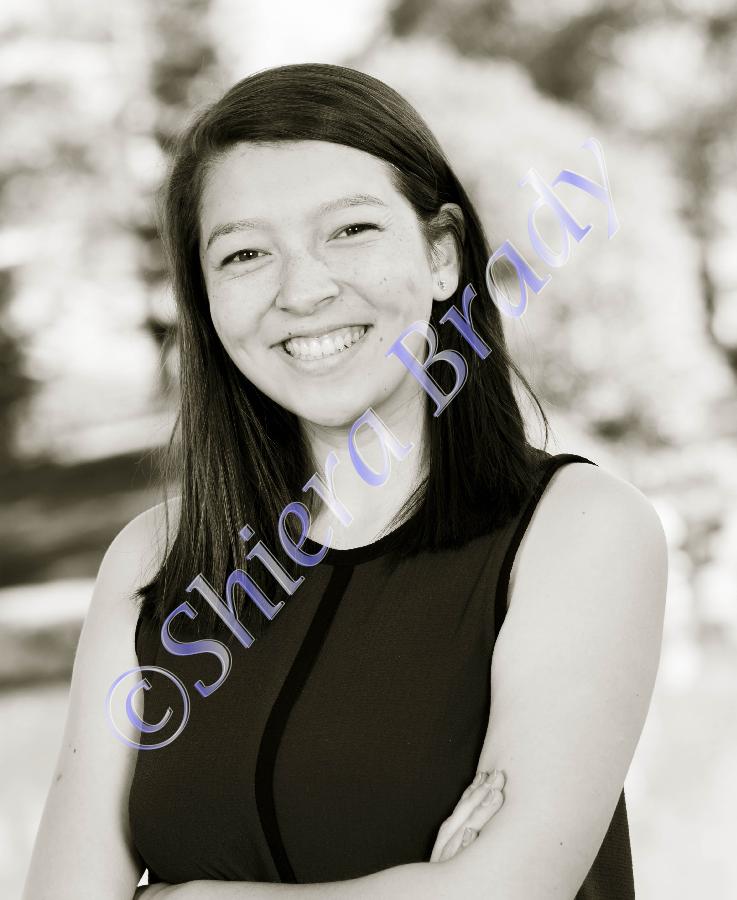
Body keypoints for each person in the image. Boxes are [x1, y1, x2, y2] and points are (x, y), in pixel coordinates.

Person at [22, 63, 667, 900]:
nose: (303, 290)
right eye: (245, 253)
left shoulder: (578, 531)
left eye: (350, 230)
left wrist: (193, 898)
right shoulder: (154, 563)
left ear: (441, 255)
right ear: (206, 299)